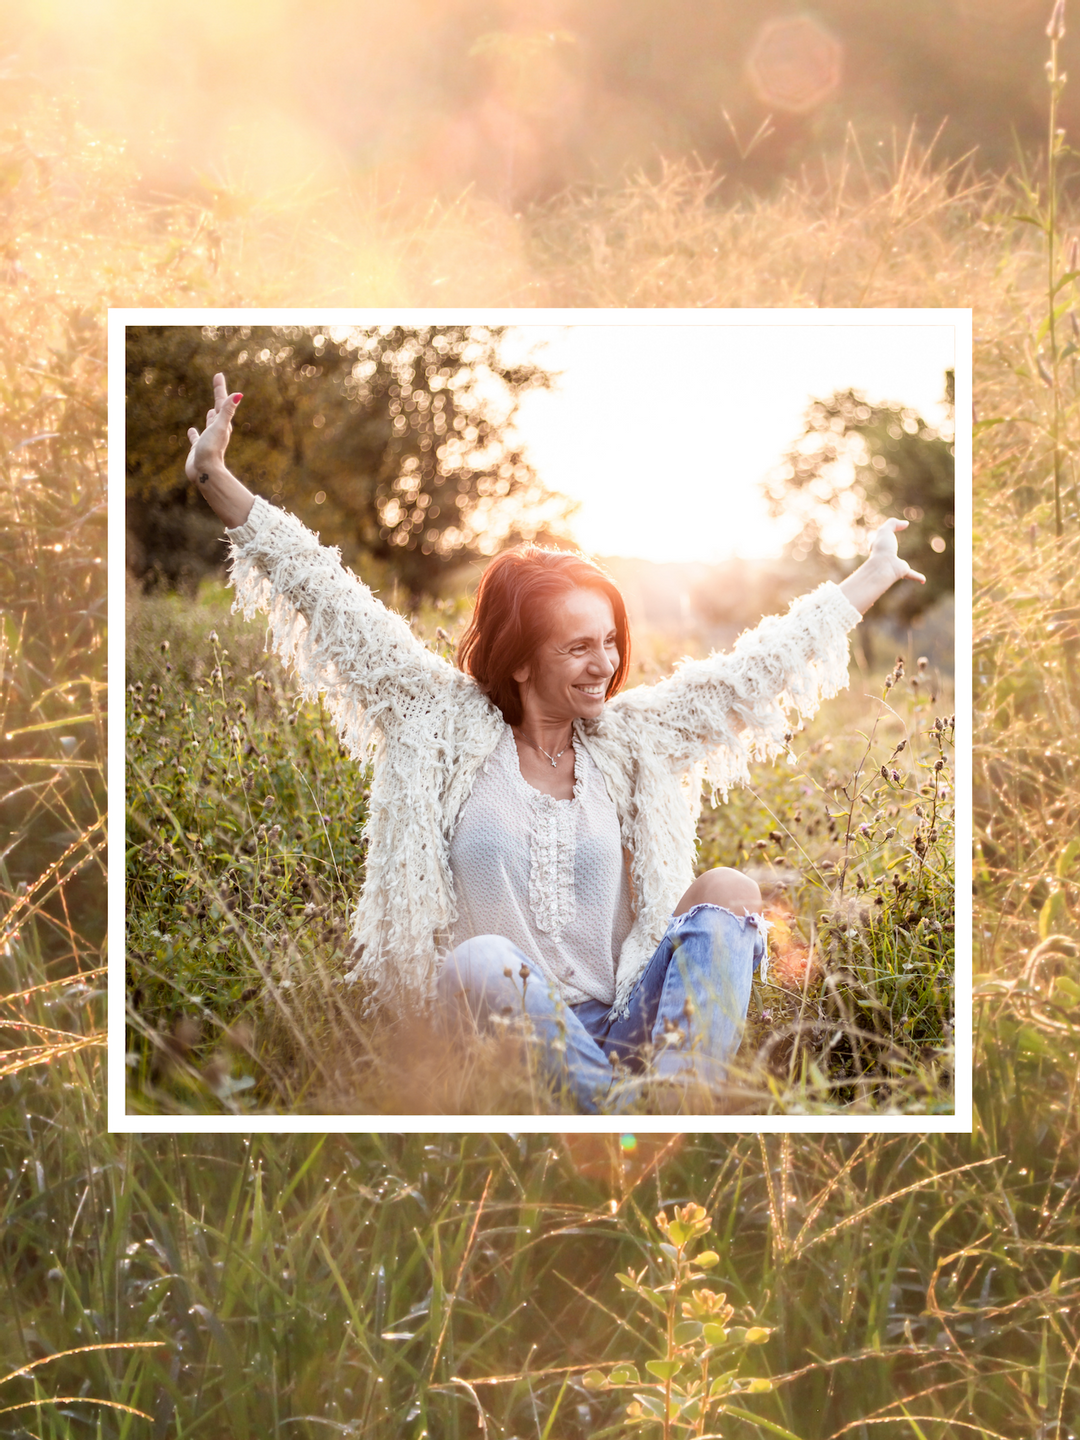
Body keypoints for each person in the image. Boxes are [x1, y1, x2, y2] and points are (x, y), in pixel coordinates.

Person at [184, 372, 926, 1113]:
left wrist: (867, 577)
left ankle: (660, 1106)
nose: (604, 663)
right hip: (491, 1031)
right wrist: (219, 481)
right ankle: (635, 1123)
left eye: (609, 641)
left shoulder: (629, 739)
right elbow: (328, 594)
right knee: (484, 960)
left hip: (624, 1029)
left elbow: (749, 676)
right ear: (519, 657)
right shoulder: (436, 720)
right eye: (577, 647)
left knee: (730, 891)